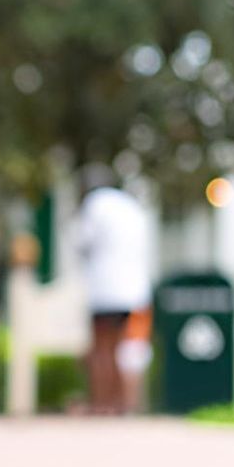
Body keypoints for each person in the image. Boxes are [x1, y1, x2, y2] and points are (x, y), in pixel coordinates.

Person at [75, 167, 155, 414]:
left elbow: (81, 241)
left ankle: (102, 404)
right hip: (135, 290)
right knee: (128, 350)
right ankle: (125, 404)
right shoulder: (131, 206)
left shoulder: (95, 204)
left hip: (105, 289)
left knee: (102, 348)